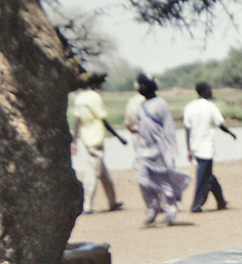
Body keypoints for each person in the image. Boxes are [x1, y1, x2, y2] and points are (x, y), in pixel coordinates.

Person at [131, 74, 190, 226]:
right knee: (143, 180)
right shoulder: (141, 106)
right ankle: (152, 209)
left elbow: (169, 130)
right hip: (144, 151)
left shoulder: (161, 104)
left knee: (165, 184)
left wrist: (171, 153)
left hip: (160, 151)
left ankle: (170, 213)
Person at [69, 73, 126, 214]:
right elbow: (103, 121)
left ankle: (112, 201)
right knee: (93, 173)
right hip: (96, 138)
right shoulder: (95, 97)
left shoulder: (80, 98)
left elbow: (77, 121)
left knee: (102, 172)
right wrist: (118, 137)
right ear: (96, 84)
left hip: (86, 138)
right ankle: (87, 205)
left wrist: (74, 140)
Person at [183, 81, 237, 212]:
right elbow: (220, 124)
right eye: (210, 89)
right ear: (205, 91)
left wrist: (189, 149)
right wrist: (231, 133)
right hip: (206, 147)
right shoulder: (210, 106)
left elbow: (187, 129)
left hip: (195, 147)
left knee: (208, 175)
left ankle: (221, 201)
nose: (211, 91)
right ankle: (196, 204)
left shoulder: (189, 107)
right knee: (204, 177)